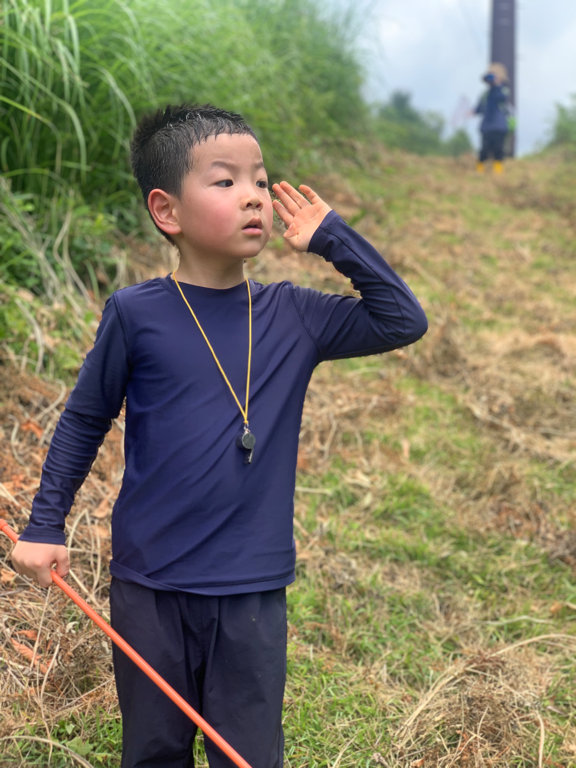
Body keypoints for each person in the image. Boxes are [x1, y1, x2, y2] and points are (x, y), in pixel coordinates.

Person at [10, 104, 428, 768]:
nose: (254, 197)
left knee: (249, 755)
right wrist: (44, 524)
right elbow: (85, 419)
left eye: (261, 181)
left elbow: (402, 319)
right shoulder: (135, 315)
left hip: (250, 588)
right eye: (226, 181)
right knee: (154, 749)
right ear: (167, 210)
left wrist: (333, 239)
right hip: (150, 583)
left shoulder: (296, 316)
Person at [474, 62, 512, 174]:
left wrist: (497, 84)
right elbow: (479, 108)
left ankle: (498, 171)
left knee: (498, 149)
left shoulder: (503, 90)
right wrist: (472, 111)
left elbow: (502, 98)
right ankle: (479, 170)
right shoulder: (485, 94)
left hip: (499, 125)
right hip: (486, 126)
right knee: (484, 149)